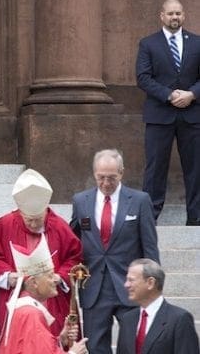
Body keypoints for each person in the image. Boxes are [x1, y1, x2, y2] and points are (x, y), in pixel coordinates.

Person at [70, 149, 160, 354]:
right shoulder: (81, 201)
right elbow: (72, 240)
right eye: (100, 178)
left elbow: (150, 247)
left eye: (112, 177)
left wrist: (153, 285)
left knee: (134, 345)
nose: (106, 183)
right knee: (94, 346)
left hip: (131, 284)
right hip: (94, 287)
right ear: (94, 174)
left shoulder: (140, 200)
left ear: (122, 173)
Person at [0, 168, 83, 339]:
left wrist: (60, 276)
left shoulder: (60, 227)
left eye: (37, 219)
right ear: (20, 211)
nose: (32, 224)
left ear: (45, 210)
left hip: (51, 300)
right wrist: (8, 276)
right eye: (28, 219)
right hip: (17, 298)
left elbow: (74, 257)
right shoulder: (3, 225)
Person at [136, 0, 200, 225]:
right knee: (155, 169)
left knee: (196, 168)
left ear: (184, 15)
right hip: (159, 115)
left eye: (178, 13)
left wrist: (191, 94)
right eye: (170, 13)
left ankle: (196, 219)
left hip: (192, 115)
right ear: (161, 16)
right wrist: (170, 95)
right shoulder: (148, 44)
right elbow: (143, 77)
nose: (175, 17)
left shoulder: (196, 43)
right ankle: (149, 220)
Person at [0, 236, 88, 354]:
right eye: (50, 276)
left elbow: (34, 348)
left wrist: (61, 340)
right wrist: (73, 353)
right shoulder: (31, 314)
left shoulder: (25, 309)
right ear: (33, 282)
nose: (54, 280)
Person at [117, 258, 199, 354]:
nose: (126, 285)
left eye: (131, 280)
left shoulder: (179, 319)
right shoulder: (128, 319)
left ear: (150, 283)